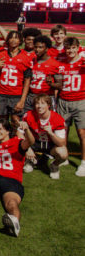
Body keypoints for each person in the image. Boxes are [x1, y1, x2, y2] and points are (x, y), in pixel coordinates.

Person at [56, 37, 85, 176]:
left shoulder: (83, 62)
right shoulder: (62, 63)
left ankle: (84, 163)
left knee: (82, 133)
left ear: (78, 47)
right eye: (68, 48)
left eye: (73, 48)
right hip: (63, 100)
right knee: (63, 132)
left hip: (80, 100)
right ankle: (64, 157)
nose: (71, 51)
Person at [22, 94, 68, 179]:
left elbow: (62, 143)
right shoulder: (29, 115)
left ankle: (54, 165)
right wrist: (27, 149)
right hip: (34, 142)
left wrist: (51, 133)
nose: (39, 106)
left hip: (49, 144)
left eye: (43, 103)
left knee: (63, 153)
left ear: (49, 105)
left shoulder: (57, 119)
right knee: (18, 142)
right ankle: (30, 160)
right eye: (37, 103)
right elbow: (19, 134)